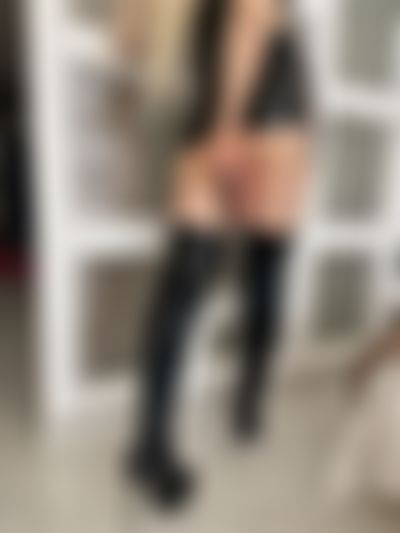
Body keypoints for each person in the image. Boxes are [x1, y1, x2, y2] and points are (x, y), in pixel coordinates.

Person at [117, 0, 311, 507]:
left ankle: (151, 445)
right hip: (264, 108)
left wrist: (226, 122)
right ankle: (247, 403)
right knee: (260, 274)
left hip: (245, 105)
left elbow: (250, 16)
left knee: (188, 284)